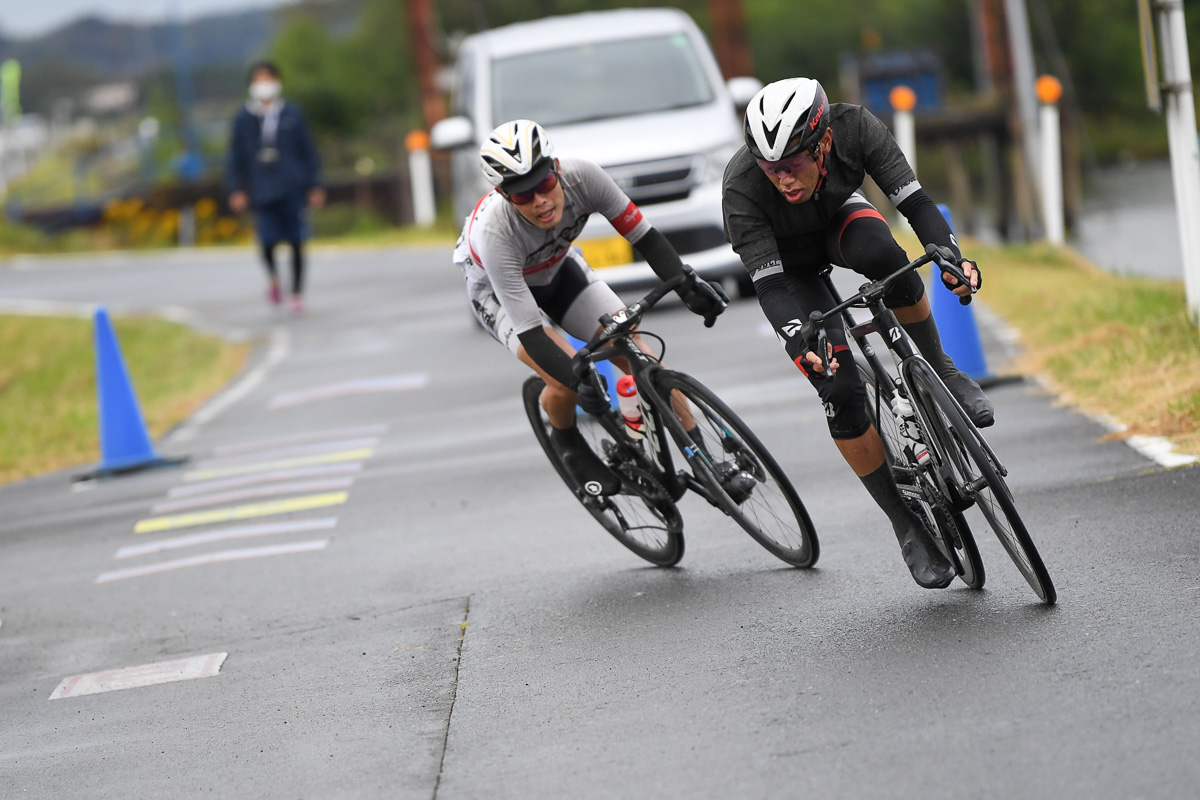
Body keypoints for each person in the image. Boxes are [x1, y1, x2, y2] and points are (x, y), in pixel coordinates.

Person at [722, 77, 992, 590]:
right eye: (771, 169)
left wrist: (951, 259)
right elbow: (773, 289)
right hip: (789, 268)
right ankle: (904, 522)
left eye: (795, 164)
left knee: (888, 257)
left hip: (839, 221)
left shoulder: (855, 127)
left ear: (823, 141)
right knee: (841, 389)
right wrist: (800, 341)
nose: (784, 180)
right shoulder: (741, 185)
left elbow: (916, 207)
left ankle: (941, 368)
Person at [453, 119, 728, 494]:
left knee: (637, 353)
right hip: (501, 296)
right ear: (504, 196)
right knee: (567, 384)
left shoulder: (585, 177)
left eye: (545, 184)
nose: (540, 201)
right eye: (522, 195)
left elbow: (644, 237)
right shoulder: (495, 234)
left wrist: (687, 286)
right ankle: (567, 442)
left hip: (558, 269)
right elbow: (532, 333)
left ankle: (709, 461)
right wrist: (577, 379)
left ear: (557, 168)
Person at [227, 60, 325, 313]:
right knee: (267, 241)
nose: (264, 85)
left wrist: (314, 185)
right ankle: (273, 278)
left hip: (292, 186)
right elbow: (234, 157)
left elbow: (308, 151)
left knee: (296, 241)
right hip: (262, 188)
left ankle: (296, 293)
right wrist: (236, 189)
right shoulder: (244, 118)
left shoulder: (292, 113)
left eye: (268, 79)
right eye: (259, 80)